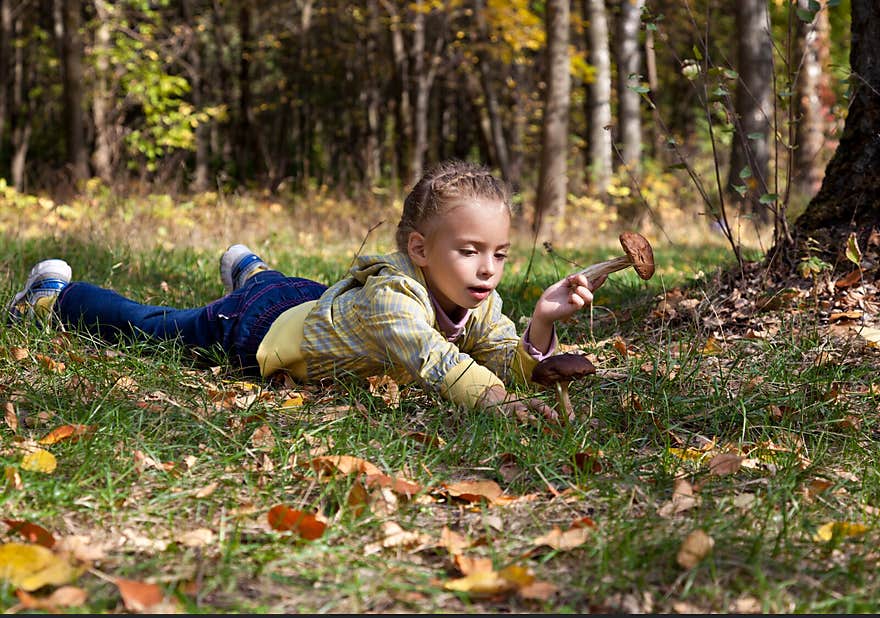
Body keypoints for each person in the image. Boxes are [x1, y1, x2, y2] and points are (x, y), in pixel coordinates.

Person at [8, 159, 602, 423]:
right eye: (469, 251)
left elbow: (501, 354)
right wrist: (504, 404)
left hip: (314, 300)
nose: (487, 269)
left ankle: (254, 270)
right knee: (157, 325)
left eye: (499, 254)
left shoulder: (479, 301)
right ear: (420, 250)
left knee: (295, 291)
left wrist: (543, 324)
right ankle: (54, 296)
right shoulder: (393, 302)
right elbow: (436, 362)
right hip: (256, 331)